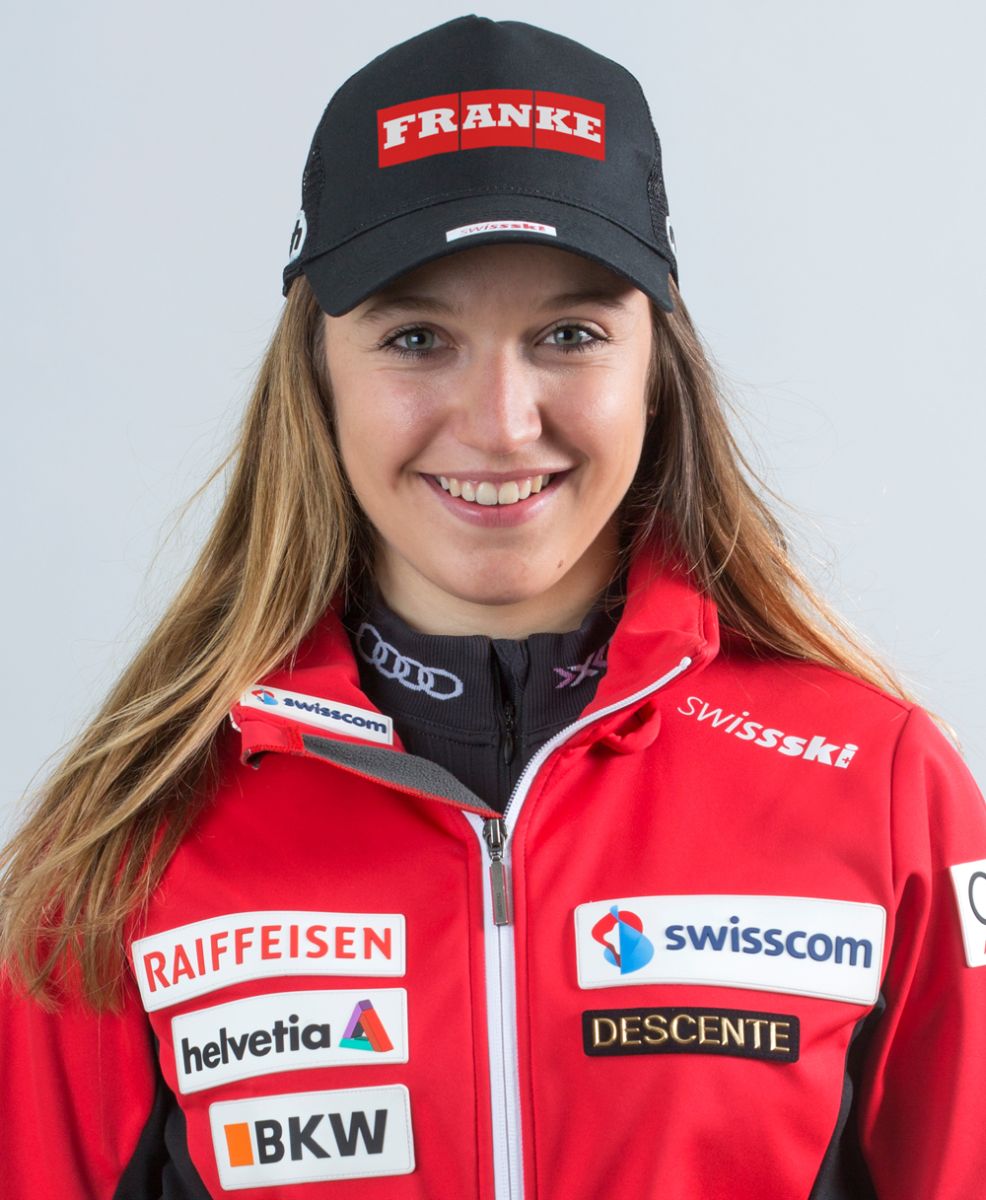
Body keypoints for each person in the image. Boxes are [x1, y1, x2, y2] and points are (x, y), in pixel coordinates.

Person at [1, 14, 984, 1199]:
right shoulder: (122, 840)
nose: (502, 423)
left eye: (569, 334)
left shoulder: (881, 789)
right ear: (315, 376)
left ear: (656, 368)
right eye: (417, 338)